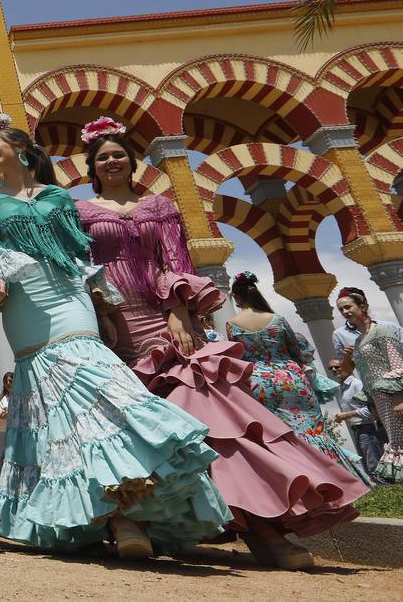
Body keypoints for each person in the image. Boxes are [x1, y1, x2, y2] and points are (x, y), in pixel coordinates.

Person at [77, 118, 364, 568]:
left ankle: (266, 532)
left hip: (164, 322)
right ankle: (135, 524)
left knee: (215, 418)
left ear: (132, 161)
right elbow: (82, 270)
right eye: (102, 157)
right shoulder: (82, 213)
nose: (112, 161)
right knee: (128, 429)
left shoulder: (160, 206)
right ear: (92, 166)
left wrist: (178, 310)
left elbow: (175, 260)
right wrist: (96, 313)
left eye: (118, 154)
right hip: (113, 329)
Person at [0, 114, 227, 558]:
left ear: (22, 152)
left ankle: (127, 517)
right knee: (55, 412)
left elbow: (78, 254)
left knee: (97, 397)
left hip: (69, 298)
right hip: (24, 305)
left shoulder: (58, 196)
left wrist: (101, 305)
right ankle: (112, 518)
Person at [226, 272, 374, 485]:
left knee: (279, 433)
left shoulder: (232, 324)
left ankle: (299, 484)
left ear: (237, 298)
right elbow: (297, 350)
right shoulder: (277, 319)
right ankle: (336, 480)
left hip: (258, 382)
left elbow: (238, 355)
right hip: (292, 377)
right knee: (313, 429)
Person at [335, 288, 403, 484]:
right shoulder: (358, 341)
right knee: (396, 438)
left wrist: (399, 399)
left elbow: (397, 364)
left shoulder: (381, 331)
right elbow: (346, 372)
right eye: (341, 310)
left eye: (348, 307)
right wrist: (347, 355)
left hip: (394, 396)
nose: (345, 312)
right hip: (380, 399)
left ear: (362, 306)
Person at [330, 357, 384, 474]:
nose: (333, 370)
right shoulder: (341, 388)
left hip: (368, 428)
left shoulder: (356, 384)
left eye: (337, 367)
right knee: (367, 465)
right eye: (331, 368)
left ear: (347, 367)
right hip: (358, 430)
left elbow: (372, 409)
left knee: (374, 464)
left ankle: (386, 489)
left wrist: (348, 414)